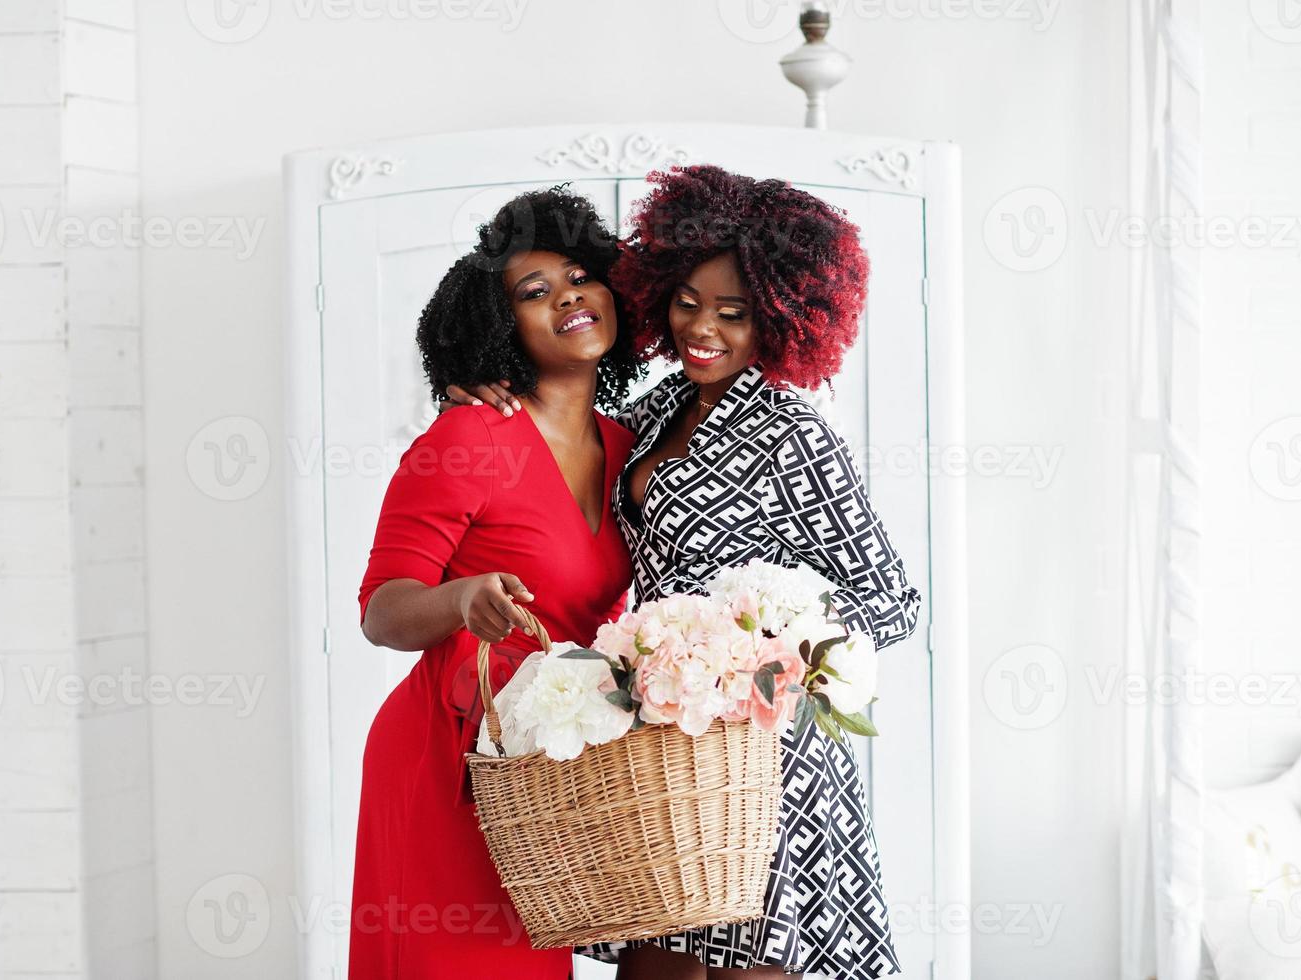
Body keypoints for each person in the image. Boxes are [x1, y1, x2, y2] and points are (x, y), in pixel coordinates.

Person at [445, 165, 922, 980]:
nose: (703, 328)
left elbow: (891, 600)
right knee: (654, 963)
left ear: (778, 318)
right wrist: (491, 390)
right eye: (687, 302)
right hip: (669, 744)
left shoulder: (789, 434)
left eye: (733, 314)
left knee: (745, 966)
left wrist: (759, 650)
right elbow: (568, 445)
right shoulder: (663, 405)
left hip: (765, 754)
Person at [350, 186, 643, 979]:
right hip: (448, 762)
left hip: (546, 761)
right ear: (498, 326)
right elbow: (381, 613)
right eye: (533, 292)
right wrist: (457, 599)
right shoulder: (470, 436)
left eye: (580, 275)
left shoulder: (634, 448)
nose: (568, 297)